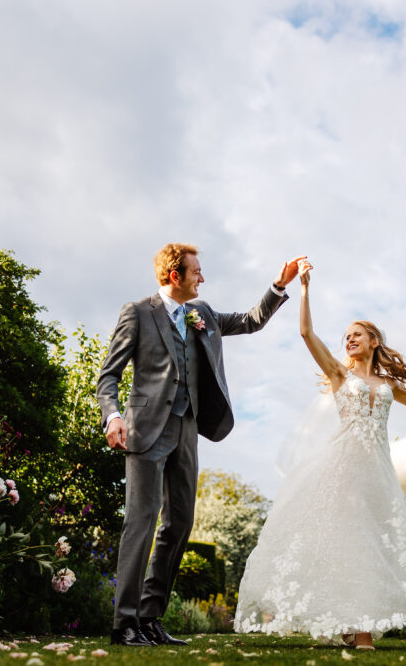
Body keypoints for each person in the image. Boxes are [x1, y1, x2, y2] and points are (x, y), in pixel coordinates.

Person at [234, 260, 406, 650]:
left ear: (374, 341)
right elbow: (307, 333)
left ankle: (355, 623)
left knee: (371, 541)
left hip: (377, 469)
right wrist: (305, 288)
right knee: (346, 538)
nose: (349, 340)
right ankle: (359, 632)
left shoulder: (388, 383)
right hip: (341, 465)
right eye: (346, 336)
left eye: (357, 334)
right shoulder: (340, 376)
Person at [97, 243, 305, 647]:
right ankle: (124, 624)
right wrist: (113, 415)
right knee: (141, 521)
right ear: (175, 275)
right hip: (145, 429)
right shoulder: (137, 313)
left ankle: (151, 618)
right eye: (196, 271)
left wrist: (279, 285)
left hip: (187, 430)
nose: (202, 278)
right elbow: (109, 375)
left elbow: (249, 321)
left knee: (180, 524)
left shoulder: (202, 314)